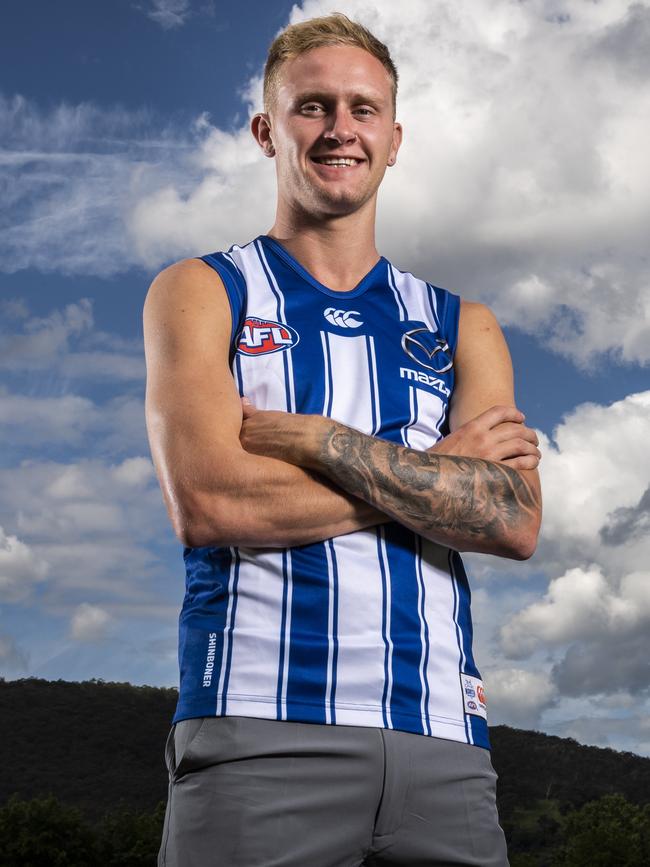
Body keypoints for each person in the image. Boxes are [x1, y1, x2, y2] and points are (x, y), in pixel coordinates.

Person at [144, 13, 542, 867]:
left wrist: (323, 440)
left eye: (363, 110)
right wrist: (439, 476)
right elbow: (212, 500)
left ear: (394, 140)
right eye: (312, 106)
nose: (339, 129)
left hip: (443, 736)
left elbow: (511, 518)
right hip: (259, 724)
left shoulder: (461, 323)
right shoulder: (204, 289)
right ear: (266, 130)